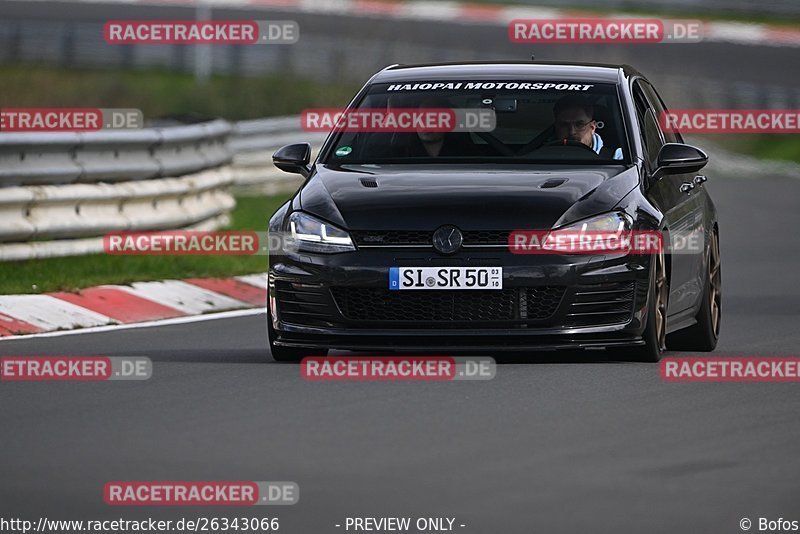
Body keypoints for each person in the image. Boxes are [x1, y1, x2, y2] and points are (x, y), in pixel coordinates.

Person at [552, 94, 623, 160]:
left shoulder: (617, 158)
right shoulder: (544, 155)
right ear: (556, 127)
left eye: (579, 124)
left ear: (592, 127)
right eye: (564, 125)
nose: (572, 132)